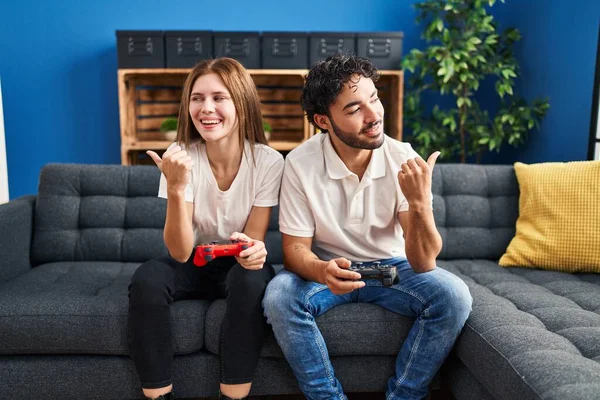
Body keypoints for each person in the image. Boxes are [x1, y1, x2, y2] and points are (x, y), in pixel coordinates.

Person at [262, 54, 473, 400]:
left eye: (374, 98)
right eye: (354, 109)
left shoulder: (403, 157)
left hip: (394, 268)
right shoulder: (300, 163)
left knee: (453, 295)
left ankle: (403, 396)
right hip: (328, 270)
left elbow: (424, 264)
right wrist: (321, 269)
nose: (374, 116)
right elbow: (294, 251)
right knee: (280, 296)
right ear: (324, 120)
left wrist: (419, 202)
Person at [127, 57, 284, 400]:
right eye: (197, 98)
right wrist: (176, 188)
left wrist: (254, 251)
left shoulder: (268, 161)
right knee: (148, 278)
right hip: (193, 259)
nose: (206, 108)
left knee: (252, 278)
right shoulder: (181, 154)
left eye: (218, 97)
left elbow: (253, 239)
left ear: (241, 102)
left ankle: (233, 397)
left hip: (236, 261)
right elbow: (180, 252)